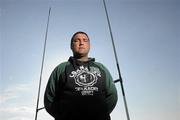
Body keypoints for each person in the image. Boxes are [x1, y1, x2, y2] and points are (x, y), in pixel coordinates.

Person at [44, 31, 118, 120]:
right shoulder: (61, 68)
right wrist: (63, 116)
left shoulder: (101, 68)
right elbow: (49, 98)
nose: (81, 43)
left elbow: (112, 95)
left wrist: (101, 114)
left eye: (85, 40)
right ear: (71, 46)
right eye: (77, 40)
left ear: (89, 45)